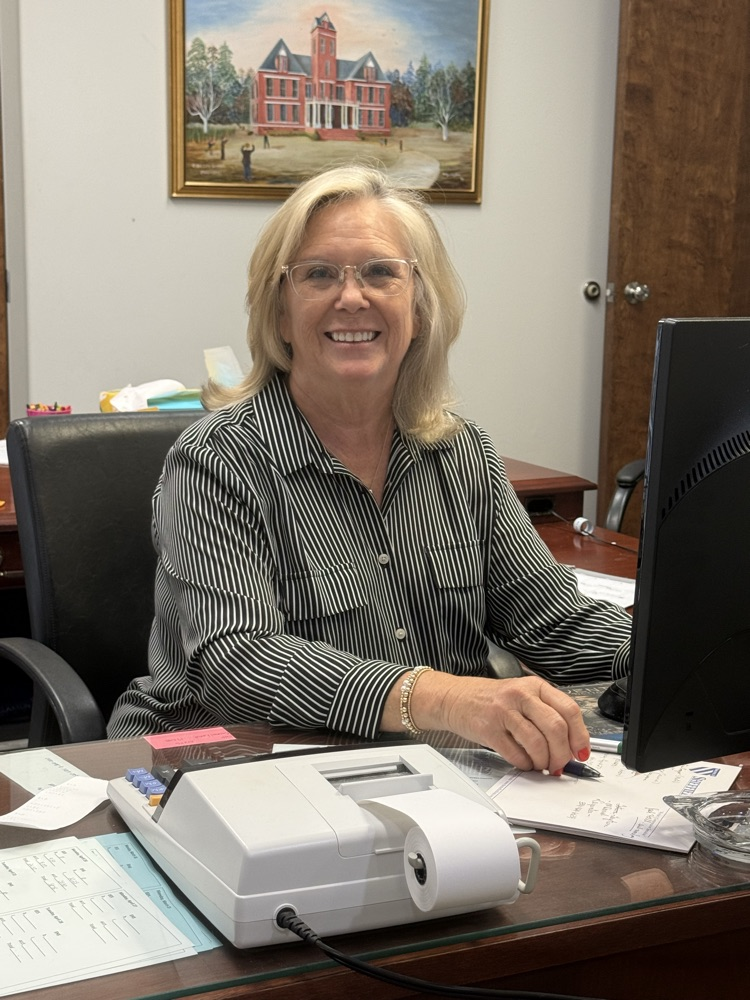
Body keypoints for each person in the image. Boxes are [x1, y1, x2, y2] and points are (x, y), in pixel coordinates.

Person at [108, 164, 632, 772]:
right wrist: (444, 696)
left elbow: (554, 624)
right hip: (224, 765)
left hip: (425, 772)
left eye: (382, 272)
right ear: (280, 314)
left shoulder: (463, 456)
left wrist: (680, 652)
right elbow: (236, 664)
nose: (351, 296)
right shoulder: (216, 461)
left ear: (421, 308)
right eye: (319, 274)